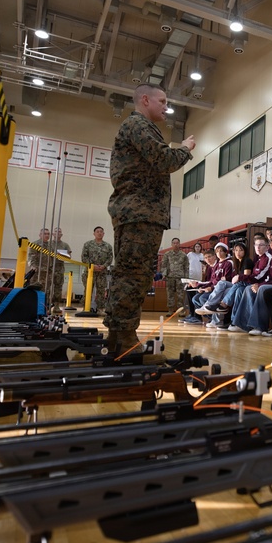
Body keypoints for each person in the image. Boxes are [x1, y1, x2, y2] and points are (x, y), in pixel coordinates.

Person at [104, 83, 195, 354]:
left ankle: (119, 336)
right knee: (133, 276)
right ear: (145, 100)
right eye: (162, 101)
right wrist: (186, 149)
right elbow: (163, 159)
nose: (166, 107)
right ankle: (123, 339)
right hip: (139, 213)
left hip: (142, 214)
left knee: (135, 275)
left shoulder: (141, 127)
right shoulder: (138, 126)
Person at [80, 226, 114, 313]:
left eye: (101, 232)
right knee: (88, 290)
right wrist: (92, 266)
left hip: (102, 272)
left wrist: (103, 266)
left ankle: (100, 309)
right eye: (97, 231)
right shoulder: (87, 244)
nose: (99, 233)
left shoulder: (108, 246)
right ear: (94, 233)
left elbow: (110, 258)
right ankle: (85, 307)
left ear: (103, 234)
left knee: (101, 291)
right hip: (90, 272)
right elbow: (84, 257)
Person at [159, 237, 189, 315]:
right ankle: (170, 310)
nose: (175, 244)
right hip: (170, 277)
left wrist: (186, 278)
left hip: (180, 277)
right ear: (171, 244)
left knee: (180, 295)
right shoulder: (167, 254)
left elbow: (186, 267)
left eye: (177, 243)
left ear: (179, 244)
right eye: (174, 243)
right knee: (170, 294)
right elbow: (164, 265)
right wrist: (164, 274)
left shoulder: (183, 255)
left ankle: (180, 311)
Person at [49, 227, 72, 309]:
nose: (57, 233)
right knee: (47, 287)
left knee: (58, 287)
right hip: (49, 268)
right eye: (56, 232)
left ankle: (56, 305)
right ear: (52, 234)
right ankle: (47, 305)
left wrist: (62, 254)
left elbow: (69, 257)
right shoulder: (48, 244)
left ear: (61, 234)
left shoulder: (65, 245)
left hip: (59, 269)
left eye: (59, 232)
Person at [26, 227, 52, 292]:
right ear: (40, 235)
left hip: (47, 271)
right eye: (45, 234)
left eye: (48, 234)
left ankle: (44, 302)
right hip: (37, 271)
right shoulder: (35, 244)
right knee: (34, 288)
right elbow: (31, 256)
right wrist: (33, 266)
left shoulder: (51, 245)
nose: (47, 235)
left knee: (46, 289)